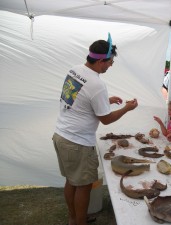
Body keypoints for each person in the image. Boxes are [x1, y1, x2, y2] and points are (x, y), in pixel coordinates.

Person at [52, 33, 138, 225]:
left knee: (70, 181)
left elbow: (79, 100)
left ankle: (74, 217)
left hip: (61, 136)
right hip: (78, 143)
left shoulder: (75, 70)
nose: (111, 65)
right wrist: (126, 108)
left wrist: (106, 101)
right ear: (101, 61)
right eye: (111, 61)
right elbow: (106, 119)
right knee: (83, 186)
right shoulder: (97, 84)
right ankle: (78, 221)